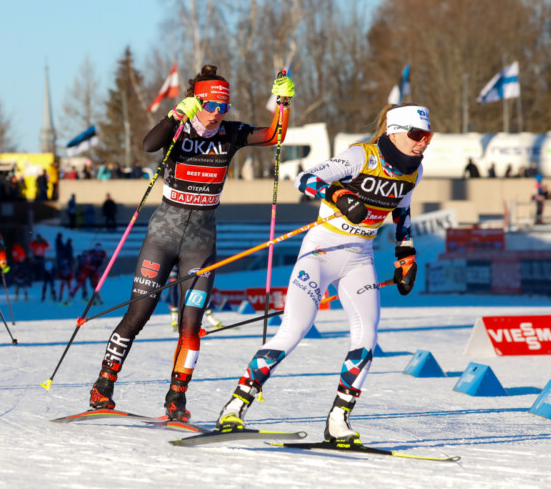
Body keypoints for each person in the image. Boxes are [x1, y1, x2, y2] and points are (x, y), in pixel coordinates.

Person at [87, 64, 296, 421]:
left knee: (191, 323)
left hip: (201, 244)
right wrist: (174, 115)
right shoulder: (178, 129)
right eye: (210, 106)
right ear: (196, 103)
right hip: (162, 239)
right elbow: (149, 144)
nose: (216, 114)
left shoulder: (230, 134)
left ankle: (177, 397)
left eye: (222, 107)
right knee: (139, 313)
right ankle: (103, 385)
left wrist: (284, 102)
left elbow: (274, 135)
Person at [214, 103, 431, 442]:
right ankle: (234, 407)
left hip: (359, 259)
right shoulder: (362, 156)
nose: (423, 142)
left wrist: (406, 257)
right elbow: (305, 178)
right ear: (395, 132)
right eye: (417, 135)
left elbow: (402, 215)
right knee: (293, 331)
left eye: (427, 136)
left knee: (367, 337)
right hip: (320, 252)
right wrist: (340, 194)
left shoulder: (413, 171)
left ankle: (338, 420)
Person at [167, 265, 222, 332]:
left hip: (186, 259)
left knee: (194, 284)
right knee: (174, 283)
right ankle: (175, 318)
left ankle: (209, 315)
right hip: (179, 259)